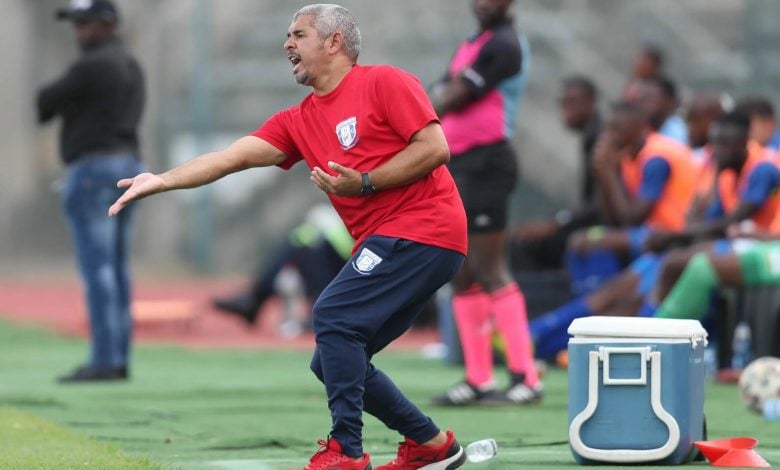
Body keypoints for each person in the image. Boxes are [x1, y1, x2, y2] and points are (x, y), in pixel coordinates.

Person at [108, 5, 468, 470]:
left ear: (334, 42)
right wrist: (163, 179)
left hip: (423, 228)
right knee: (333, 358)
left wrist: (363, 182)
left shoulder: (384, 82)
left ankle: (346, 452)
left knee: (334, 316)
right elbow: (231, 157)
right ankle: (430, 444)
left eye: (298, 34)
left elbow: (435, 147)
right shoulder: (299, 120)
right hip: (400, 240)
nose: (287, 45)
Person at [428, 0, 541, 407]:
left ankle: (526, 377)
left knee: (491, 267)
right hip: (460, 165)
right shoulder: (472, 43)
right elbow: (441, 88)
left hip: (487, 163)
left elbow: (453, 95)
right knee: (463, 272)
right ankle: (478, 379)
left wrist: (409, 115)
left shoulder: (506, 44)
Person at [36, 0, 145, 383]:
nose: (79, 32)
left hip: (93, 170)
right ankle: (117, 357)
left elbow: (44, 102)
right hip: (129, 167)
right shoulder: (130, 64)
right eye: (77, 24)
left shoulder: (92, 65)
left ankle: (104, 359)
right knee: (115, 267)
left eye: (86, 23)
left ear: (107, 24)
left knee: (98, 268)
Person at [565, 101, 697, 296]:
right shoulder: (628, 157)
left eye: (617, 129)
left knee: (585, 241)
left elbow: (632, 219)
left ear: (639, 128)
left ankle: (594, 302)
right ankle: (591, 298)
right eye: (607, 128)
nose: (608, 136)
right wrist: (603, 175)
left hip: (673, 235)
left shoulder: (656, 158)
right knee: (586, 239)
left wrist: (609, 172)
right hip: (649, 234)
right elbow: (612, 219)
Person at [511, 75, 603, 270]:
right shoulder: (590, 136)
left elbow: (598, 204)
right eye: (563, 102)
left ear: (591, 101)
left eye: (573, 101)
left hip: (601, 228)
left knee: (526, 243)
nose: (566, 109)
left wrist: (557, 223)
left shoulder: (600, 139)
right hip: (591, 222)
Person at [213, 204, 353, 327]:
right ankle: (255, 298)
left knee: (310, 245)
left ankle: (255, 298)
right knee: (301, 240)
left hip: (356, 259)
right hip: (343, 253)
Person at [635, 75, 689, 145]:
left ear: (667, 101)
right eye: (644, 98)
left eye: (651, 98)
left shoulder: (677, 133)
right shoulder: (643, 124)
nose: (645, 104)